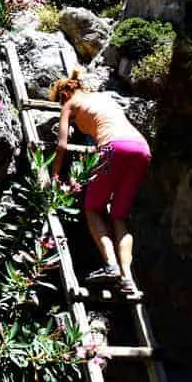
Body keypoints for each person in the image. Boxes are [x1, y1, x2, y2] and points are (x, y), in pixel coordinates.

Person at [49, 69, 152, 296]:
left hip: (114, 148)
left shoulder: (69, 105)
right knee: (119, 217)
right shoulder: (103, 97)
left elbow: (62, 146)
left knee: (93, 208)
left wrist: (55, 178)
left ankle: (111, 266)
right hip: (141, 149)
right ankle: (127, 279)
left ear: (65, 94)